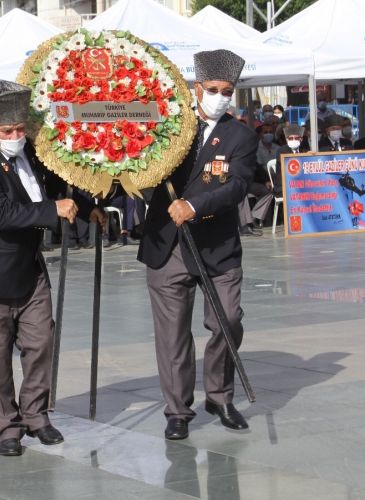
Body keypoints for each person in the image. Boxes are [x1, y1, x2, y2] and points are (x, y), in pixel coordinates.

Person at [0, 80, 104, 456]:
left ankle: (36, 414)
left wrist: (89, 208)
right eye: (8, 131)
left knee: (41, 344)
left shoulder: (33, 154)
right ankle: (7, 425)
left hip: (29, 270)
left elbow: (60, 183)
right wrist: (51, 212)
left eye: (21, 129)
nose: (16, 136)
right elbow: (2, 213)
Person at [139, 49, 256, 441]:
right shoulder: (169, 126)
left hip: (216, 245)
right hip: (167, 244)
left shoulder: (240, 134)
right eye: (212, 89)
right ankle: (177, 410)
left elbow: (237, 185)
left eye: (227, 90)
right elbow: (136, 167)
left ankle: (220, 396)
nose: (220, 96)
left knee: (228, 319)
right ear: (196, 88)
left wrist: (194, 204)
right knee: (172, 335)